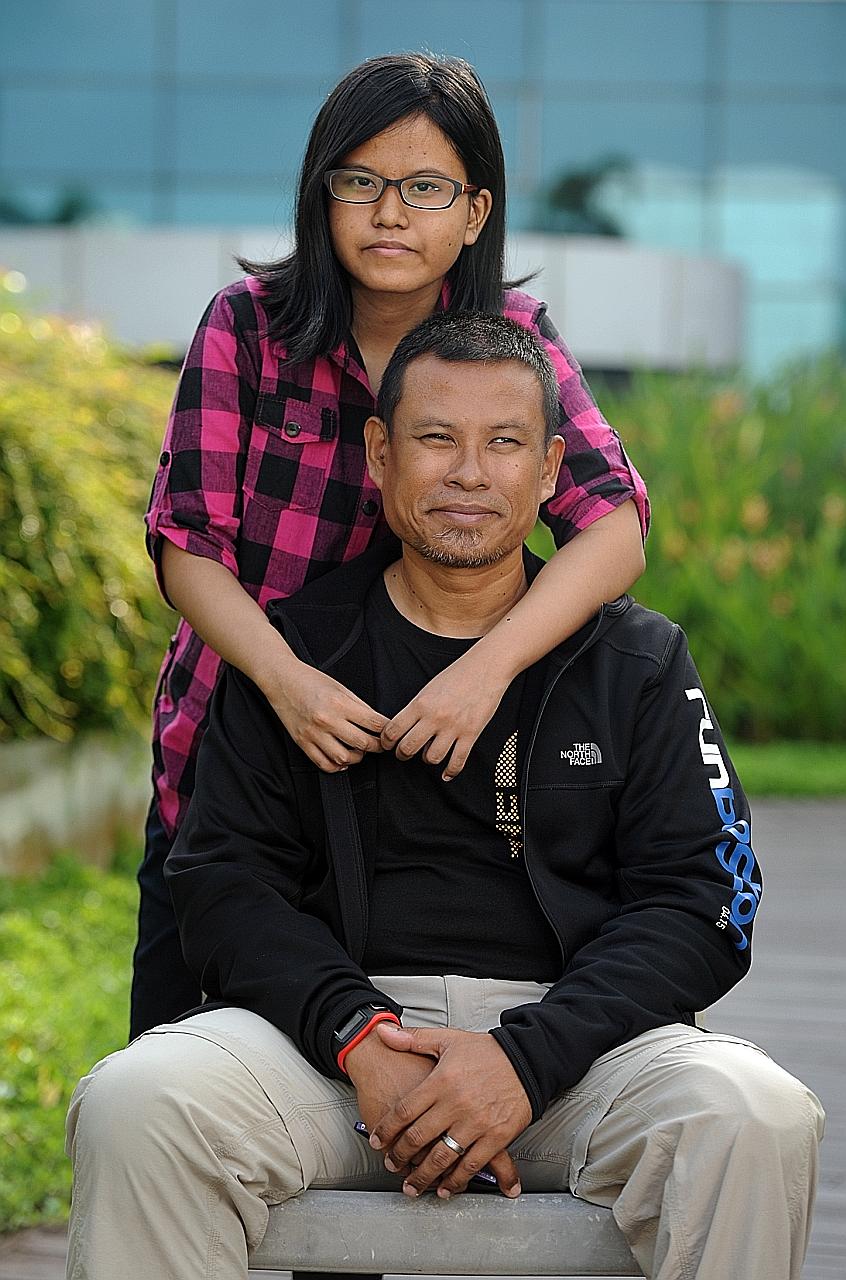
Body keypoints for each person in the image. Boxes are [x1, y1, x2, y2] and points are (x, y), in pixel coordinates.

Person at [68, 313, 823, 1280]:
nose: (471, 473)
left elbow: (707, 898)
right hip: (330, 1053)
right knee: (141, 1103)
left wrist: (523, 1062)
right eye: (436, 439)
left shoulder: (636, 660)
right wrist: (363, 1039)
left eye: (504, 444)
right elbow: (222, 886)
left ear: (552, 470)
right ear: (380, 455)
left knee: (752, 1115)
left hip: (577, 1048)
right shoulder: (296, 655)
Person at [132, 52, 650, 1039]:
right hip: (234, 759)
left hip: (430, 770)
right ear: (321, 193)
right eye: (359, 182)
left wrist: (487, 671)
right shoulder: (248, 329)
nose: (388, 214)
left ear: (475, 209)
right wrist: (286, 681)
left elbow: (614, 524)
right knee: (171, 1060)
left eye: (424, 188)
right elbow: (185, 540)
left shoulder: (513, 337)